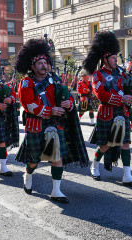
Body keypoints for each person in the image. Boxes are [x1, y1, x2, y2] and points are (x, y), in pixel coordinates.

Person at [15, 39, 89, 203]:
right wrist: (50, 110)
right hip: (36, 125)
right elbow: (29, 105)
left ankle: (56, 191)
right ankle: (28, 174)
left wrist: (68, 103)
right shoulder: (27, 83)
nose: (43, 65)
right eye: (39, 63)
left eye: (45, 62)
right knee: (34, 160)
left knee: (57, 157)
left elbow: (67, 96)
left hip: (55, 124)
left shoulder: (54, 79)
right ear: (32, 66)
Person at [84, 31, 132, 188]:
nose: (115, 60)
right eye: (112, 58)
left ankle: (127, 174)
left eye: (116, 57)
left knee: (125, 144)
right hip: (107, 113)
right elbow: (101, 94)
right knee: (106, 145)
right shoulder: (97, 75)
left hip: (122, 113)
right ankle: (95, 165)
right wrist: (121, 98)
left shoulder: (122, 72)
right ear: (105, 59)